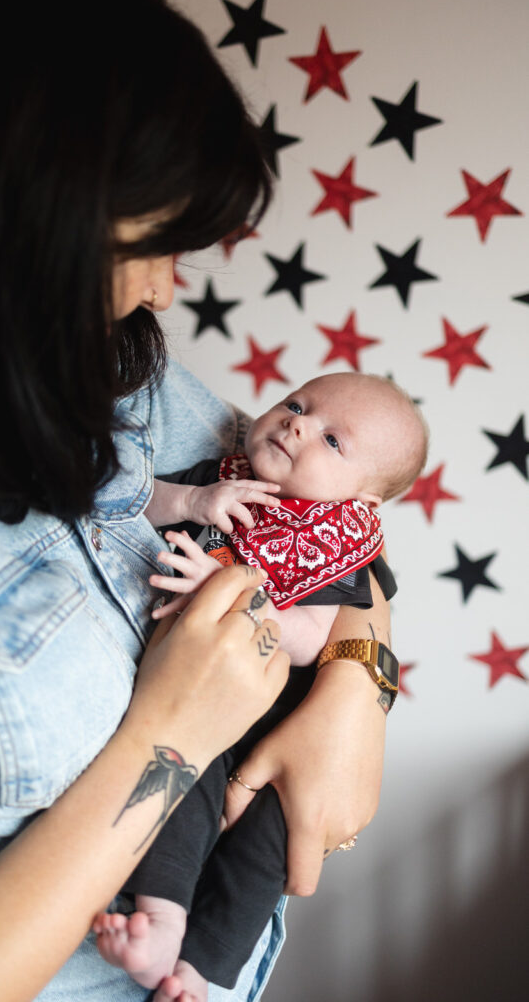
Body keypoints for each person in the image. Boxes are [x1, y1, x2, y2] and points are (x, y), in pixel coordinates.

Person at [0, 0, 393, 1002]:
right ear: (27, 222)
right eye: (151, 246)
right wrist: (169, 736)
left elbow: (342, 533)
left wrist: (362, 681)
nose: (166, 288)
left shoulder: (116, 371)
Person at [94, 372, 427, 999]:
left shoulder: (332, 546)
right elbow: (132, 500)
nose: (299, 424)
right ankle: (160, 921)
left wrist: (227, 592)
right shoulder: (223, 476)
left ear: (362, 501)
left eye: (333, 441)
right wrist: (192, 504)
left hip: (283, 727)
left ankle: (203, 969)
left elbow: (309, 637)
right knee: (178, 782)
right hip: (206, 706)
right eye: (298, 405)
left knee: (272, 843)